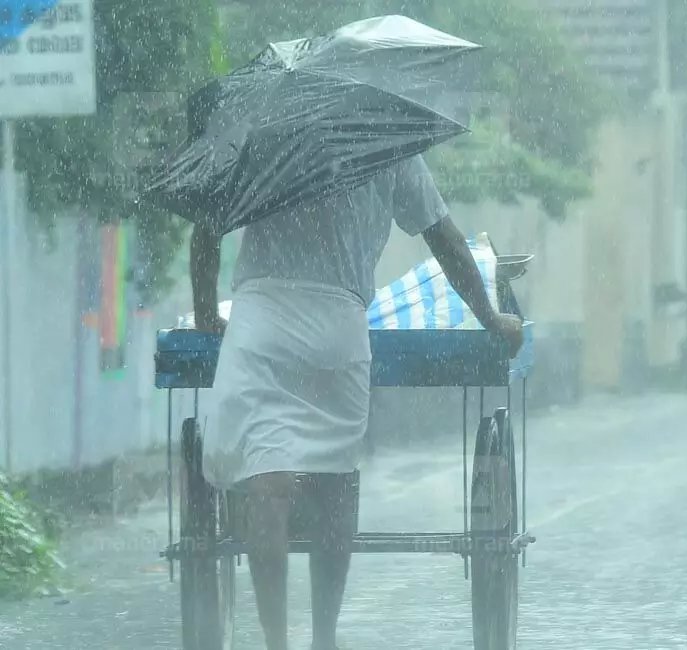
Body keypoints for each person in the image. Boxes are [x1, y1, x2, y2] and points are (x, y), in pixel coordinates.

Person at [190, 153, 524, 650]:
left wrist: (204, 312)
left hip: (260, 327)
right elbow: (447, 240)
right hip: (339, 331)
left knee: (267, 482)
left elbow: (207, 225)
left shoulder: (266, 132)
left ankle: (275, 641)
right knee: (335, 484)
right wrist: (490, 318)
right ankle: (324, 638)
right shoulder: (387, 140)